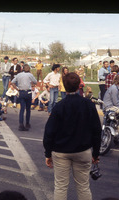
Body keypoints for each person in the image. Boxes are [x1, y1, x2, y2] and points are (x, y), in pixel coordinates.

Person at [43, 72, 101, 200]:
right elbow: (97, 130)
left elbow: (49, 132)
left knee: (60, 186)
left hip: (61, 151)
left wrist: (48, 153)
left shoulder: (59, 107)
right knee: (83, 186)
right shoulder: (89, 105)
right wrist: (95, 153)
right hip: (83, 150)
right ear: (79, 85)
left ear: (64, 85)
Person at [11, 64, 37, 131]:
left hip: (21, 92)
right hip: (28, 92)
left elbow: (12, 82)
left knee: (22, 109)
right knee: (28, 109)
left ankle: (21, 124)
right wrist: (32, 84)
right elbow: (35, 81)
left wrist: (17, 88)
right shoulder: (30, 75)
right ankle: (27, 123)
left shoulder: (19, 75)